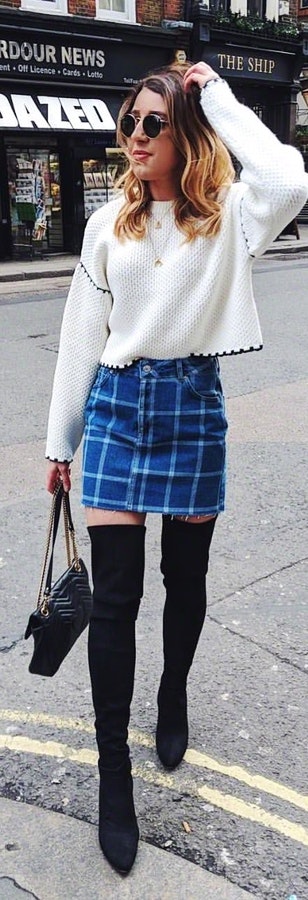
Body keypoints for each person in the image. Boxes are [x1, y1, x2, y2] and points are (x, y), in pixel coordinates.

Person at [45, 61, 308, 875]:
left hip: (194, 406)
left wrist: (215, 95)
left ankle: (174, 692)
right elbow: (82, 332)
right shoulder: (105, 225)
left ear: (184, 133)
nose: (135, 136)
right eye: (129, 122)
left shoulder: (229, 215)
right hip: (121, 411)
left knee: (184, 583)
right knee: (115, 602)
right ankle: (113, 778)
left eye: (153, 123)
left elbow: (290, 175)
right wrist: (61, 443)